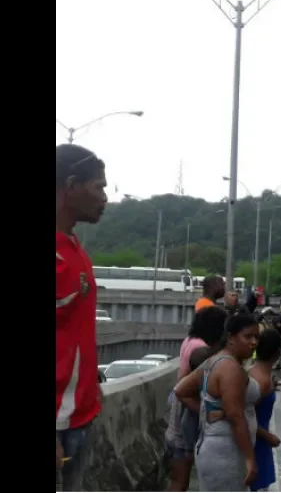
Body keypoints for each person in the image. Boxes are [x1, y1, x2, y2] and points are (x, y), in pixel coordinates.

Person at [56, 143, 108, 491]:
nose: (105, 197)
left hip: (80, 419)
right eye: (98, 187)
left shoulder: (76, 250)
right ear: (71, 184)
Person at [175, 313, 261, 492]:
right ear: (230, 337)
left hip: (213, 448)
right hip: (225, 452)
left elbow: (180, 390)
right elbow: (236, 417)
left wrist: (208, 410)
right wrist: (250, 458)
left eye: (256, 337)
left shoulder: (214, 361)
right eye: (248, 336)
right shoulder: (230, 368)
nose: (254, 342)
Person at [166, 307, 229, 491]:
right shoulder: (201, 349)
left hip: (178, 410)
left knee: (179, 478)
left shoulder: (190, 340)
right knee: (180, 480)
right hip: (184, 414)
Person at [249, 329, 281, 492]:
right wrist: (268, 436)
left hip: (260, 442)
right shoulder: (261, 381)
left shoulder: (262, 376)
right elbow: (244, 416)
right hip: (257, 442)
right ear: (277, 353)